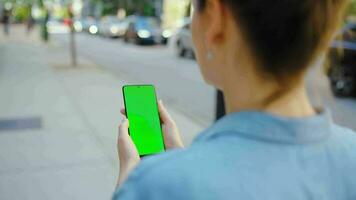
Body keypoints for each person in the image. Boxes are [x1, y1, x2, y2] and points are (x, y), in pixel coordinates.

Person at [114, 0, 356, 199]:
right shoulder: (350, 153)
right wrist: (182, 157)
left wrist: (131, 175)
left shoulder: (156, 187)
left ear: (214, 18)